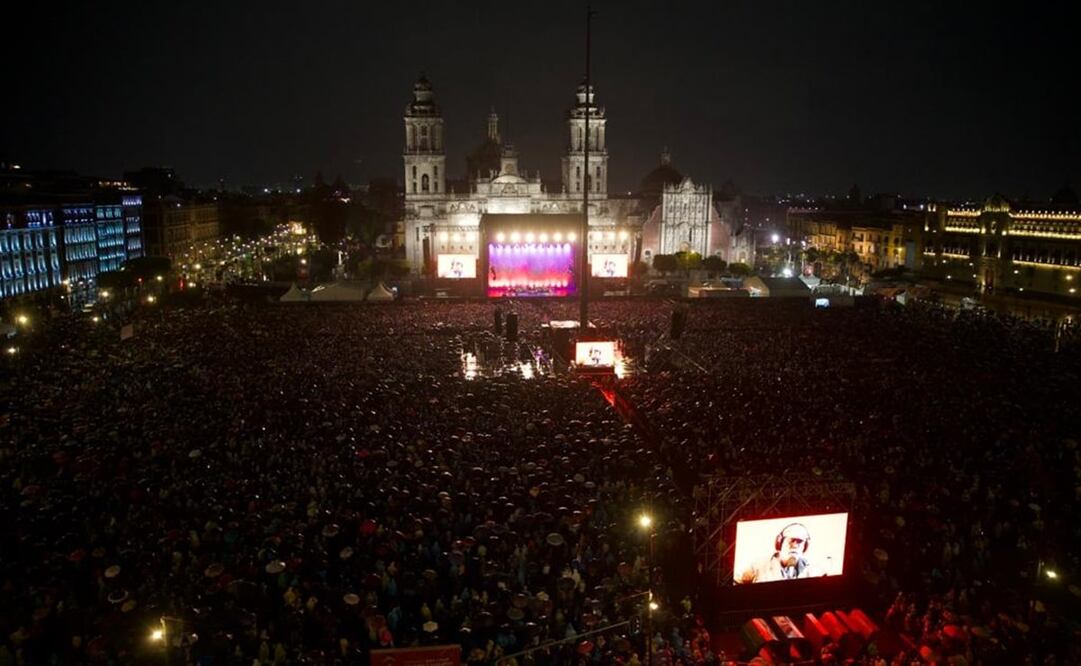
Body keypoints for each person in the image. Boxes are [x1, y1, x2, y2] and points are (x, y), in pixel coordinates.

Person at [737, 522, 824, 583]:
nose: (794, 545)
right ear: (780, 543)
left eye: (799, 542)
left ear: (805, 546)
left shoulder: (814, 571)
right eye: (791, 540)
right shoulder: (757, 567)